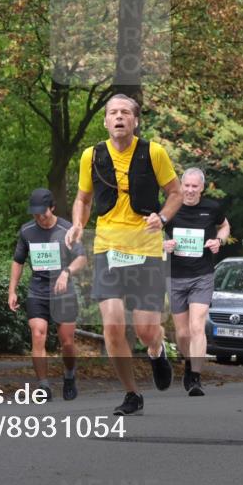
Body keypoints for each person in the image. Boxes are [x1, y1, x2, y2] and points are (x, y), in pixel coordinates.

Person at [66, 94, 182, 416]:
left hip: (146, 249)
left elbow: (174, 193)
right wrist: (78, 224)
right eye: (113, 113)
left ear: (135, 121)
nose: (119, 117)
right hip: (109, 249)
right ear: (105, 121)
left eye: (125, 113)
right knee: (113, 327)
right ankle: (132, 394)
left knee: (146, 330)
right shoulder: (91, 156)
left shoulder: (153, 152)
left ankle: (157, 351)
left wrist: (163, 217)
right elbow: (83, 199)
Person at [8, 188, 88, 401]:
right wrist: (12, 291)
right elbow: (18, 261)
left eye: (42, 213)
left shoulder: (66, 229)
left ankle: (69, 376)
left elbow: (82, 258)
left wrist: (66, 272)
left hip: (63, 293)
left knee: (67, 342)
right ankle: (43, 386)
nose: (39, 218)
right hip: (38, 291)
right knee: (37, 333)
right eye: (35, 214)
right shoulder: (27, 232)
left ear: (52, 208)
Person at [161, 168, 229, 396]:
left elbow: (225, 226)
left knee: (197, 326)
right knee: (182, 333)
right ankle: (189, 363)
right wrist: (163, 244)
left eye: (194, 186)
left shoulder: (212, 208)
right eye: (186, 186)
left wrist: (219, 240)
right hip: (175, 275)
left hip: (202, 274)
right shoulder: (170, 207)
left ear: (202, 187)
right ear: (181, 185)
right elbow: (149, 234)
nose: (189, 190)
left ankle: (196, 378)